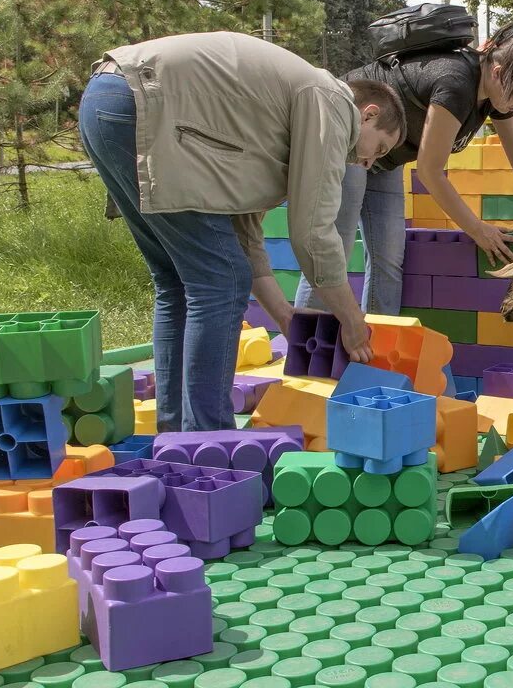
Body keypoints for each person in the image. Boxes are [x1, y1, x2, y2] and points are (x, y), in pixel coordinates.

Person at [78, 31, 404, 433]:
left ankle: (177, 435)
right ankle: (209, 440)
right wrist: (352, 320)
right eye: (381, 150)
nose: (370, 163)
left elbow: (246, 238)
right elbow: (313, 234)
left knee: (179, 280)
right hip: (144, 104)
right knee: (220, 280)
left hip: (105, 99)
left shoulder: (270, 119)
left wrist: (284, 315)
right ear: (368, 114)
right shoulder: (332, 101)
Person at [294, 22, 513, 315]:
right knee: (335, 250)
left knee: (389, 257)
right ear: (498, 72)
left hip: (386, 159)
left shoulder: (495, 97)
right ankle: (305, 351)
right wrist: (477, 230)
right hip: (352, 139)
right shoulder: (456, 82)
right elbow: (430, 171)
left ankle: (377, 345)